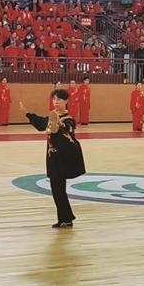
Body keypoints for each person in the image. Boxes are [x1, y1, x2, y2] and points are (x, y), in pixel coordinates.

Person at [20, 89, 86, 228]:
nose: (56, 102)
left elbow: (69, 128)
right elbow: (40, 123)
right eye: (54, 99)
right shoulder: (52, 116)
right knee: (57, 189)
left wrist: (59, 124)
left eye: (59, 99)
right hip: (53, 157)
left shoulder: (68, 119)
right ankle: (66, 218)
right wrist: (27, 113)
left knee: (58, 188)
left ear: (66, 101)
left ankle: (66, 218)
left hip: (63, 157)